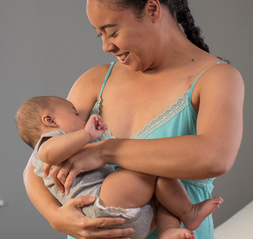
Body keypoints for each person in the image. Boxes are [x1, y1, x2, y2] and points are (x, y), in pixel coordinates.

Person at [21, 0, 245, 238]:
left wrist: (106, 149)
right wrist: (55, 217)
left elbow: (215, 156)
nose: (105, 45)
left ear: (152, 9)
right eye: (99, 34)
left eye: (112, 31)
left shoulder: (217, 78)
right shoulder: (95, 81)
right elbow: (37, 162)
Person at [15, 95, 223, 239]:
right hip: (97, 201)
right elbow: (47, 154)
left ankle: (169, 231)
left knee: (161, 191)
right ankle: (189, 213)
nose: (82, 117)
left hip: (124, 217)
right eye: (75, 113)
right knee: (149, 166)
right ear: (49, 120)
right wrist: (87, 134)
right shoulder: (49, 141)